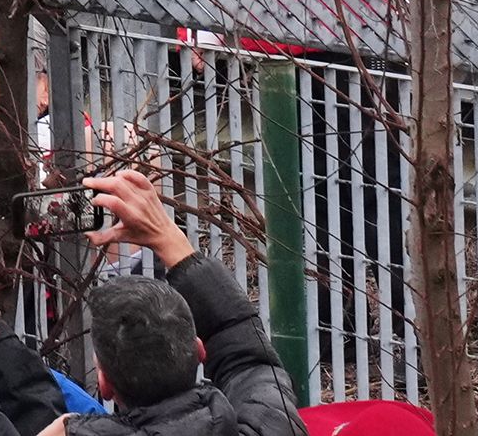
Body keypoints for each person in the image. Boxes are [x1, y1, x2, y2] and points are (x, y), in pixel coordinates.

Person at [59, 169, 304, 436]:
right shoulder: (273, 425)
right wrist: (167, 237)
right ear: (200, 351)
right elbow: (249, 364)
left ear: (104, 382)